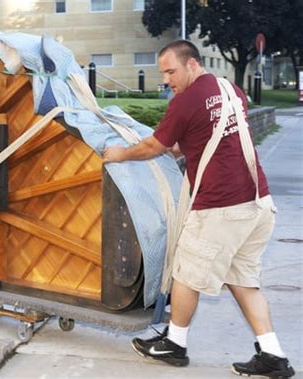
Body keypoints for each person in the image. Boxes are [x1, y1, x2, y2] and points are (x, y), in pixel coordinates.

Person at [102, 40, 294, 378]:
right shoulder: (231, 89)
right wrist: (180, 149)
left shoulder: (185, 101)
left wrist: (118, 154)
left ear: (192, 65)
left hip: (222, 207)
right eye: (163, 72)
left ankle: (174, 344)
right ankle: (273, 355)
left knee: (185, 274)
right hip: (258, 204)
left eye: (170, 71)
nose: (166, 79)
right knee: (244, 282)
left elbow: (151, 147)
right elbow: (209, 136)